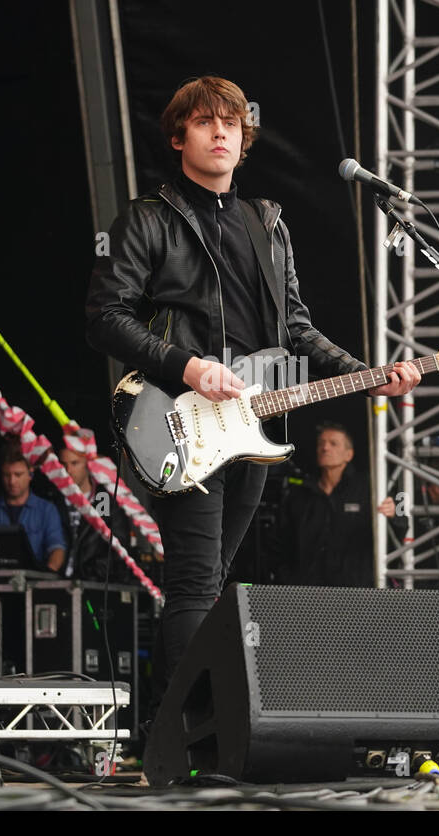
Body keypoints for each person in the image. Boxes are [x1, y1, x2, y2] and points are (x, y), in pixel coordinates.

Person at [85, 76, 420, 686]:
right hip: (176, 415)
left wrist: (365, 377)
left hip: (249, 425)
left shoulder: (266, 224)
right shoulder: (147, 219)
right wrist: (186, 365)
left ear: (245, 140)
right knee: (192, 581)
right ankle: (185, 741)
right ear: (178, 135)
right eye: (207, 121)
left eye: (233, 124)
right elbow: (104, 317)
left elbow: (296, 328)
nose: (221, 132)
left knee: (208, 581)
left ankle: (184, 737)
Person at [278, 422, 395, 588]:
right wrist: (288, 578)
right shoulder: (300, 493)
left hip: (356, 591)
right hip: (307, 592)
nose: (325, 448)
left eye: (333, 443)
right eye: (321, 443)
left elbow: (398, 532)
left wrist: (393, 514)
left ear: (349, 454)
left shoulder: (368, 488)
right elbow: (281, 543)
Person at [41, 442, 139, 582]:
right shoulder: (51, 500)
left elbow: (119, 551)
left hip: (93, 585)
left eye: (75, 463)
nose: (68, 470)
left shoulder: (105, 500)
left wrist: (89, 575)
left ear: (88, 464)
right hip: (55, 583)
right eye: (63, 464)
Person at [0, 438, 66, 573]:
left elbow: (57, 547)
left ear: (30, 473)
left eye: (18, 474)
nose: (12, 481)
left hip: (33, 585)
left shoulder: (47, 510)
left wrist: (47, 578)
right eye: (6, 475)